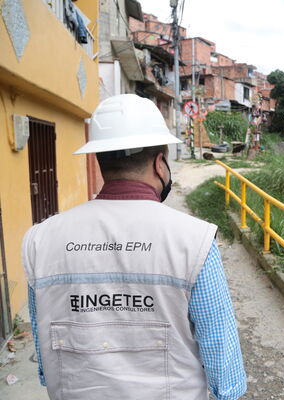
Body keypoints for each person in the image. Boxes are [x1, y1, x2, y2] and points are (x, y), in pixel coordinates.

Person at [22, 94, 246, 400]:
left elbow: (43, 343)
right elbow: (222, 356)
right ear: (159, 163)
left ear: (100, 161)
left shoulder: (40, 240)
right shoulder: (195, 241)